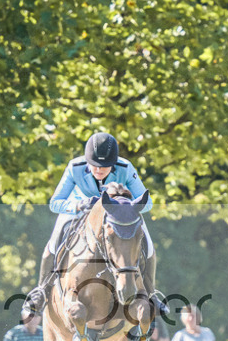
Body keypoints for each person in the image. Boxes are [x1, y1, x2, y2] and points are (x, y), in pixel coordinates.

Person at [22, 132, 164, 317]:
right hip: (80, 210)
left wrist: (125, 204)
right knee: (54, 240)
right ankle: (41, 289)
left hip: (118, 214)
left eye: (104, 167)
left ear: (113, 163)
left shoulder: (126, 168)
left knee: (148, 241)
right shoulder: (75, 167)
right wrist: (78, 205)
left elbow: (148, 203)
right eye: (95, 165)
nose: (98, 170)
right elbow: (55, 203)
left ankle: (151, 292)